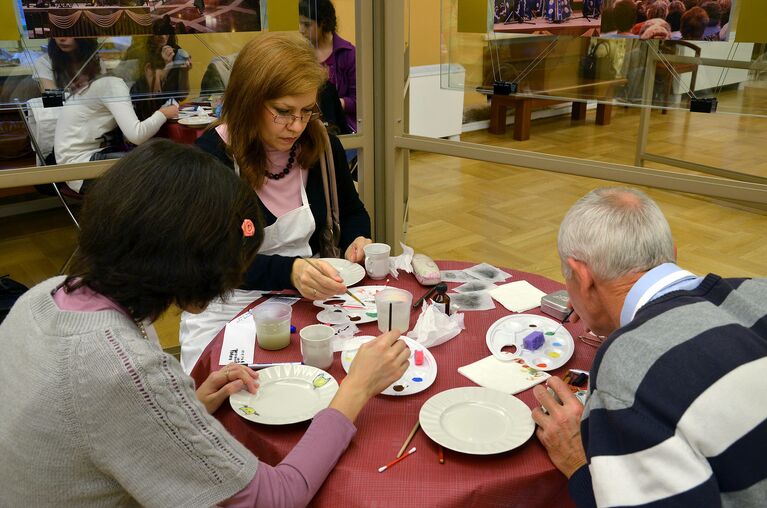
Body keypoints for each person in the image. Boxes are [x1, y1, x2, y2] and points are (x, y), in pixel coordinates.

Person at [0, 140, 409, 507]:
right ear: (192, 260)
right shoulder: (123, 370)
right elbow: (276, 497)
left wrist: (186, 406)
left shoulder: (44, 296)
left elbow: (92, 428)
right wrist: (356, 390)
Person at [532, 187, 767, 507]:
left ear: (582, 276)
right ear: (671, 252)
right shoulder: (757, 291)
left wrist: (578, 463)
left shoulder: (627, 375)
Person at [182, 32, 371, 372]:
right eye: (283, 112)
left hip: (305, 297)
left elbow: (353, 210)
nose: (296, 126)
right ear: (249, 100)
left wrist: (359, 238)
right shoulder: (212, 160)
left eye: (306, 111)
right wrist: (290, 270)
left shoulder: (324, 148)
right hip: (228, 301)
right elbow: (210, 262)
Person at [52, 58, 177, 193]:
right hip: (82, 168)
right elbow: (137, 135)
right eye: (161, 80)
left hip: (76, 166)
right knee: (162, 167)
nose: (159, 89)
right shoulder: (113, 85)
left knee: (156, 161)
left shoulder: (106, 82)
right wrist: (163, 113)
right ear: (148, 69)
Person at [299, 0, 357, 133]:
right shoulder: (301, 53)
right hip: (307, 125)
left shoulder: (348, 54)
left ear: (323, 24)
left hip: (341, 127)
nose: (301, 30)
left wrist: (332, 104)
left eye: (307, 24)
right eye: (300, 23)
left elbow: (357, 101)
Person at [32, 37, 100, 92]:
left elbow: (103, 96)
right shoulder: (44, 62)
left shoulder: (94, 59)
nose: (61, 39)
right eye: (57, 33)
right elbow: (53, 102)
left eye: (68, 32)